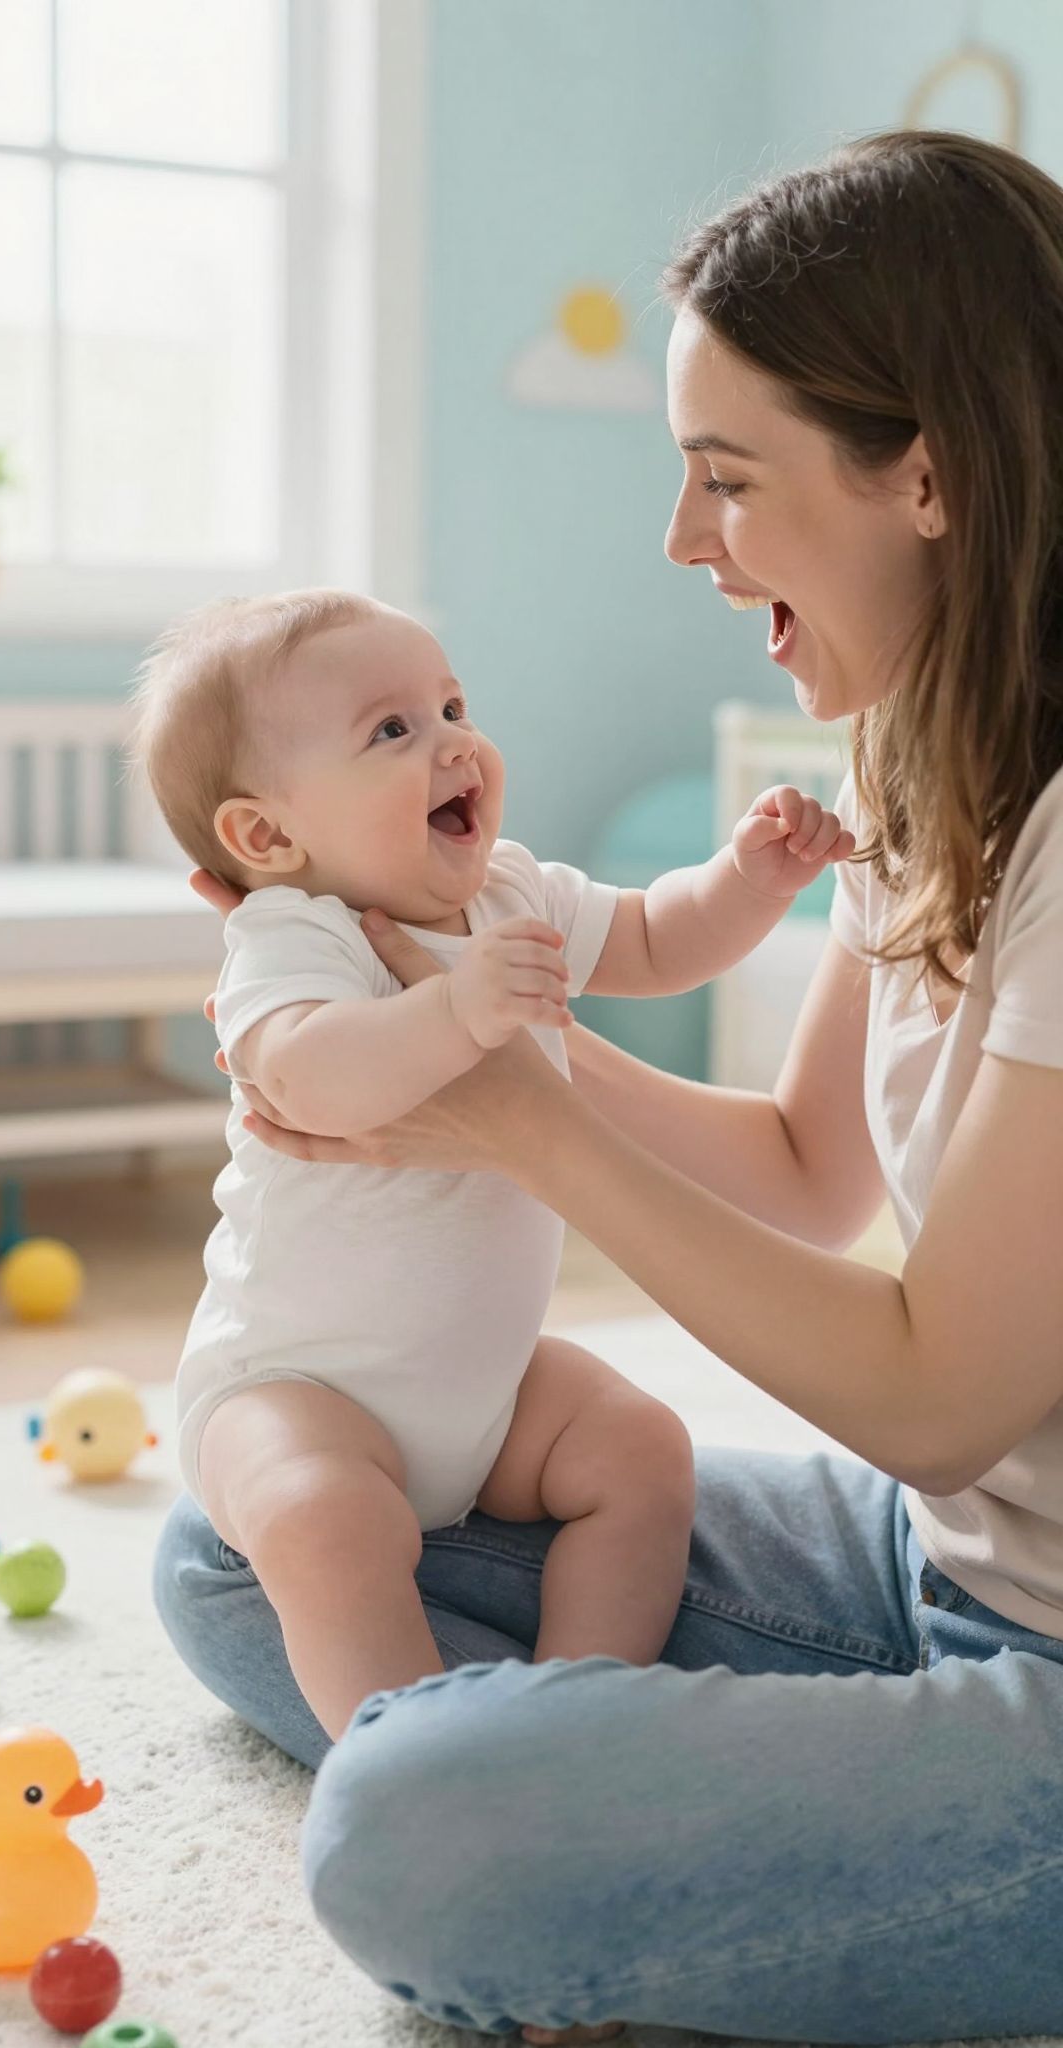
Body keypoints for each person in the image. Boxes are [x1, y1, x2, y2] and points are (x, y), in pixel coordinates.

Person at [153, 128, 1063, 2045]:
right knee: (245, 1536)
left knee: (412, 1825)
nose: (680, 539)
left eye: (725, 480)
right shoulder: (917, 757)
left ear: (931, 473)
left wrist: (515, 1116)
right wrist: (472, 1029)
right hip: (958, 1548)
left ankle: (595, 1784)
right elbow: (817, 1175)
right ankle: (626, 1758)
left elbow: (942, 1380)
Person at [132, 586, 851, 1743]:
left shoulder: (515, 889)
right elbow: (307, 1077)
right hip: (296, 1390)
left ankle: (573, 1713)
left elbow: (660, 938)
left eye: (452, 703)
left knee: (639, 1448)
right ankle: (423, 1748)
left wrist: (750, 882)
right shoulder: (294, 935)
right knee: (323, 1522)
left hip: (485, 1386)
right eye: (392, 729)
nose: (454, 739)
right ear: (267, 838)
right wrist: (457, 1010)